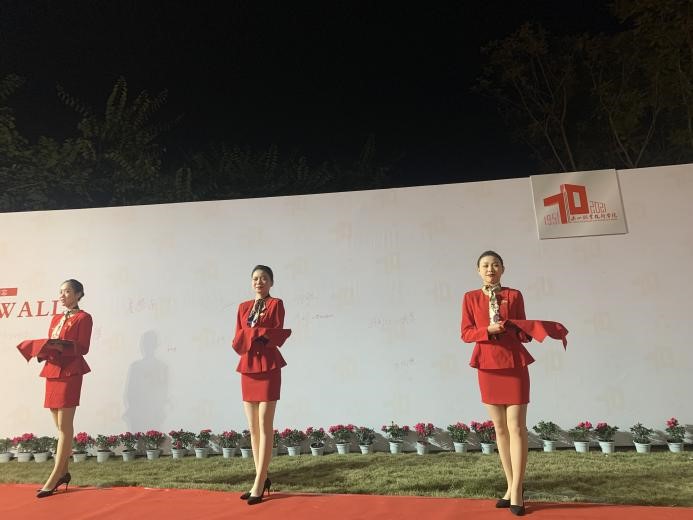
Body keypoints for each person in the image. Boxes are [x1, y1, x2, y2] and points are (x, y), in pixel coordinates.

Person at [461, 251, 566, 517]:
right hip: (487, 365)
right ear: (478, 270)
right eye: (485, 265)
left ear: (503, 269)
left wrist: (526, 331)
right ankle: (509, 487)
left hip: (514, 363)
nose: (490, 269)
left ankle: (517, 490)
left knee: (517, 428)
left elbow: (522, 332)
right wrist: (487, 331)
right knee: (500, 429)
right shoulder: (470, 297)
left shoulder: (514, 295)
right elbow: (466, 333)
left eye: (495, 265)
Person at [232, 265, 291, 505]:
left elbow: (274, 333)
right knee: (253, 428)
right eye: (255, 278)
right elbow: (238, 339)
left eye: (264, 278)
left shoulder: (276, 304)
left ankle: (258, 483)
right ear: (251, 282)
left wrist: (254, 333)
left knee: (265, 426)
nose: (259, 282)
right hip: (248, 367)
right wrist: (255, 334)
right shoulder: (242, 307)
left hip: (268, 366)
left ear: (271, 282)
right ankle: (262, 477)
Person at [36, 279, 93, 498]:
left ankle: (53, 478)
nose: (62, 295)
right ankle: (64, 473)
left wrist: (62, 346)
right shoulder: (55, 318)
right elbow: (52, 344)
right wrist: (43, 350)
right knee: (58, 425)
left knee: (64, 427)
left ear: (78, 294)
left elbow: (84, 347)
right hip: (52, 370)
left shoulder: (84, 317)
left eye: (67, 291)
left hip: (70, 371)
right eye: (60, 291)